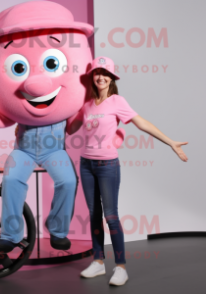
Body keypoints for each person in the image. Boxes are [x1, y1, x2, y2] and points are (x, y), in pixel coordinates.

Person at [66, 56, 188, 286]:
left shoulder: (117, 102)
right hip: (86, 164)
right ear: (92, 77)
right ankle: (98, 262)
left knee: (110, 216)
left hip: (107, 166)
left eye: (105, 73)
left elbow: (142, 123)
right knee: (93, 215)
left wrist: (170, 141)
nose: (100, 77)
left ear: (111, 78)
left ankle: (120, 267)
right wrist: (67, 102)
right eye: (96, 73)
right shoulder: (87, 105)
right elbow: (70, 129)